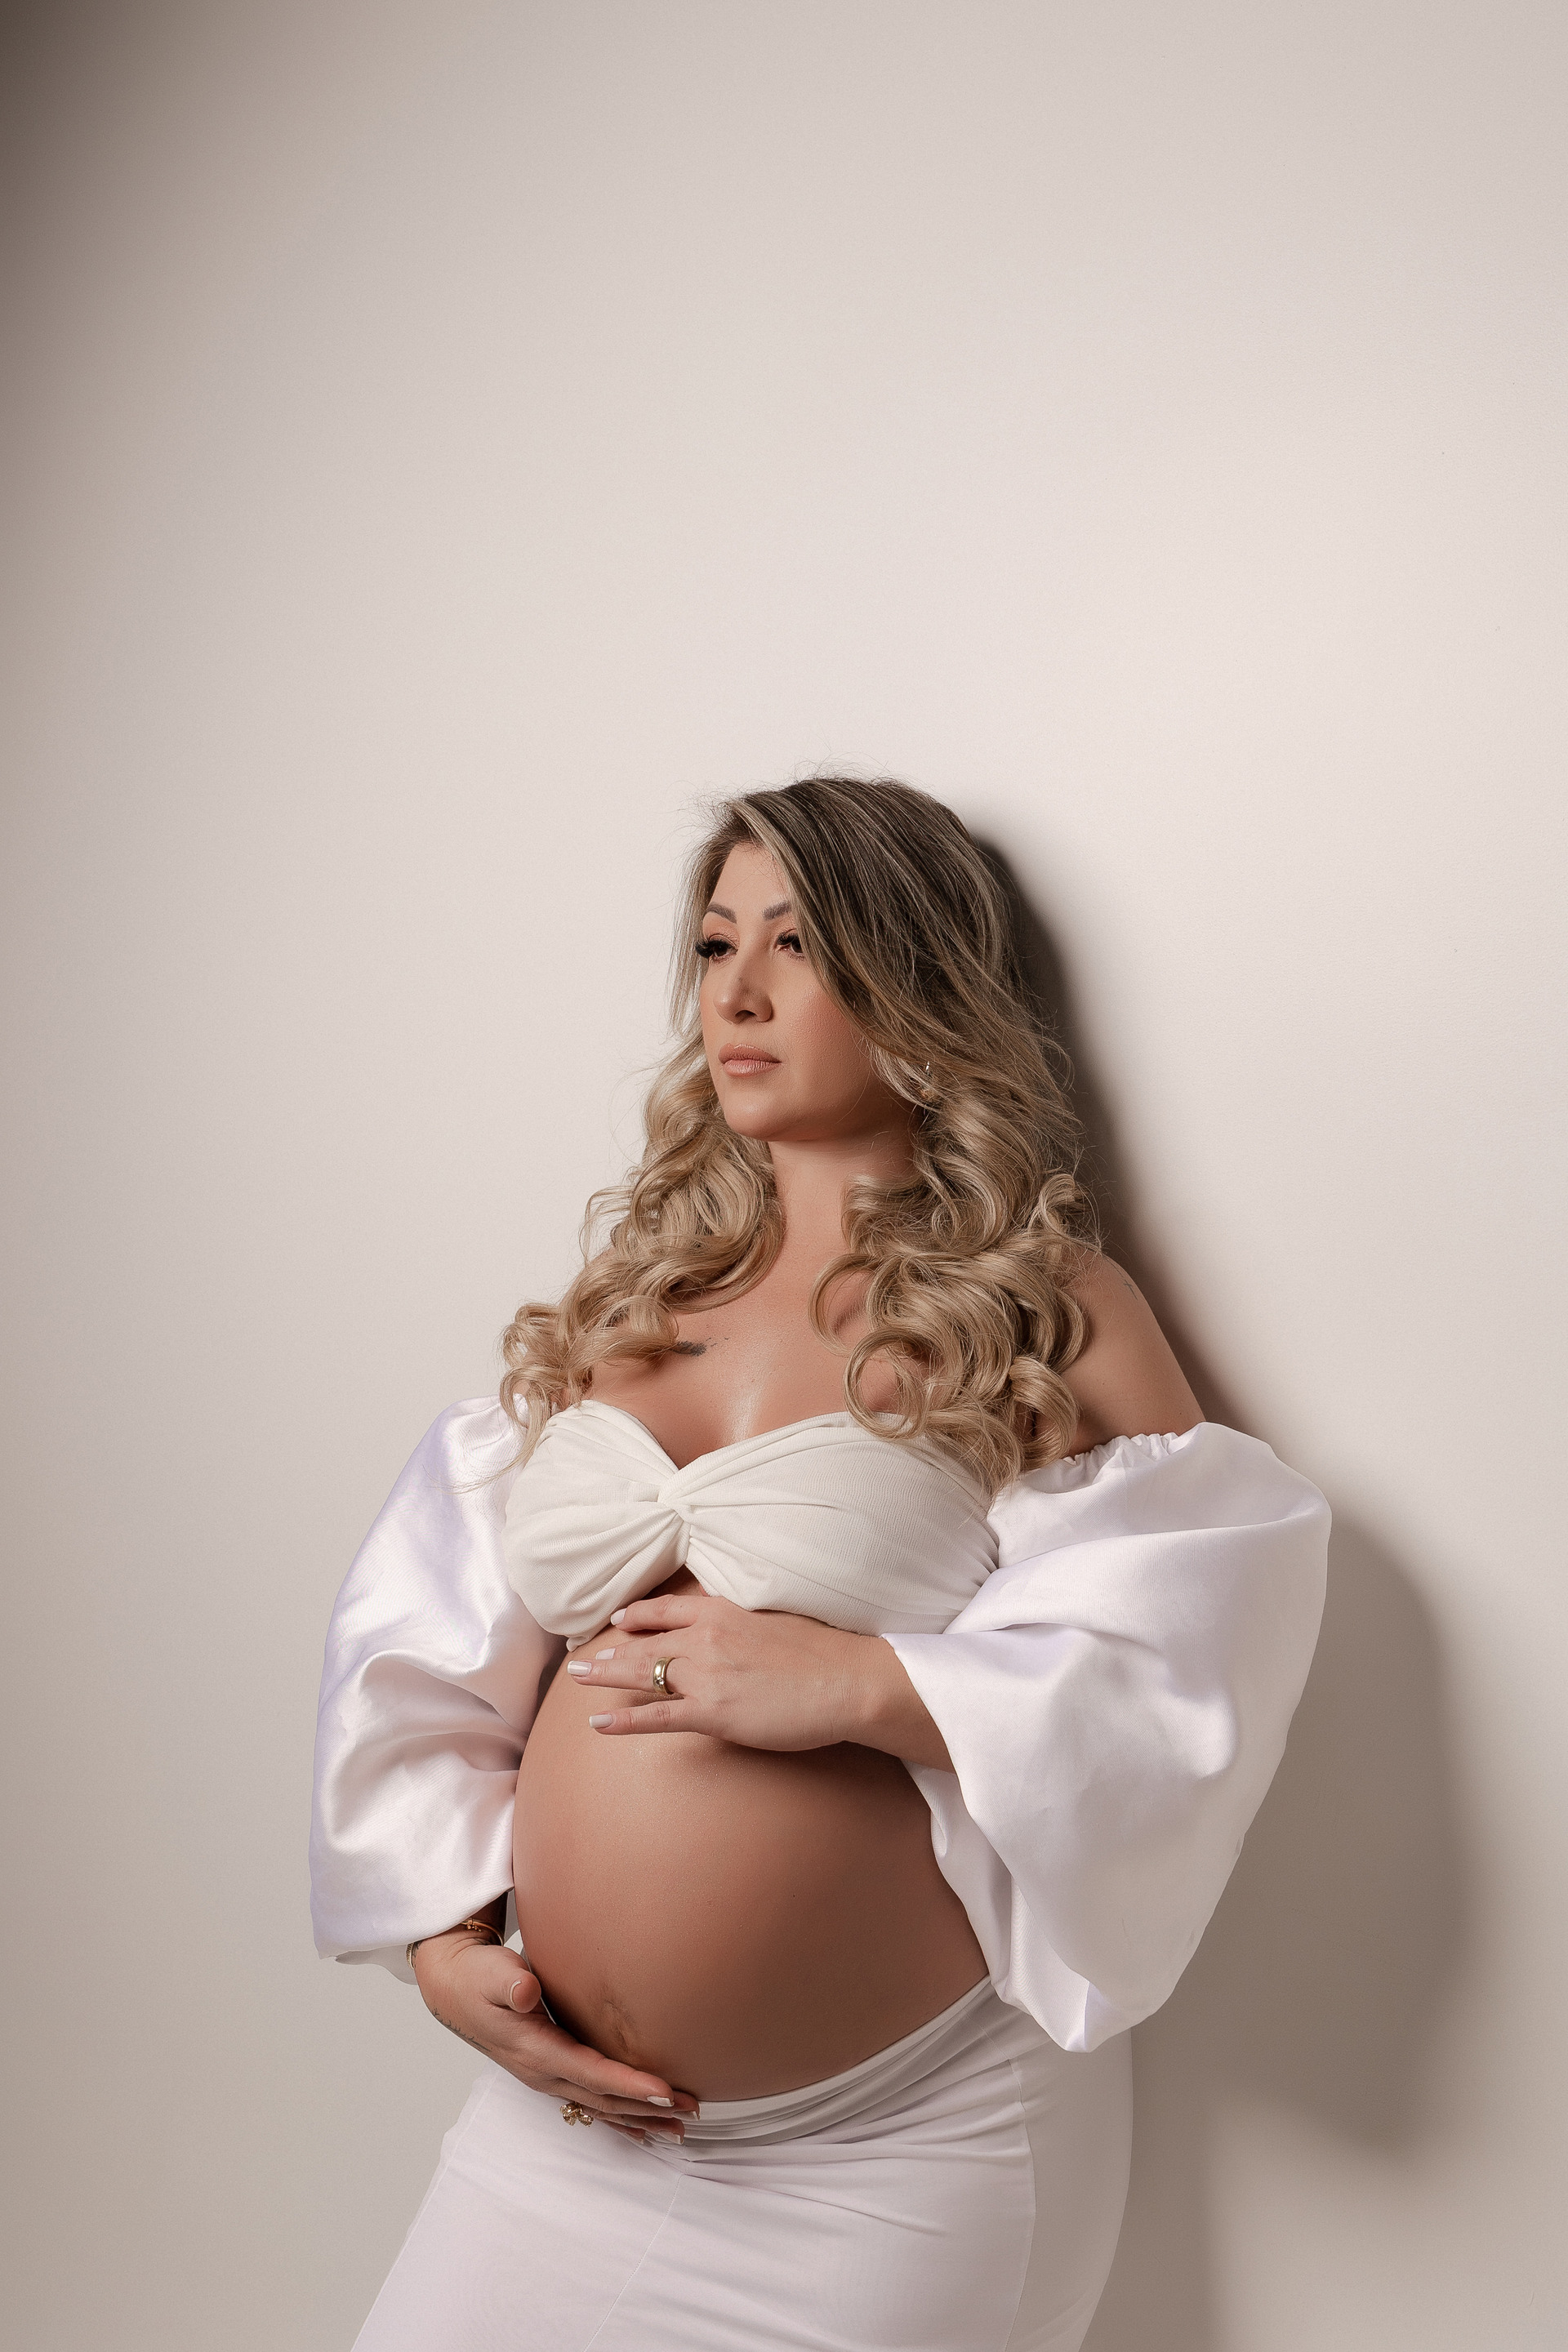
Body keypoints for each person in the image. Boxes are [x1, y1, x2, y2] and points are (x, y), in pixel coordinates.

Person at [311, 777, 1329, 2352]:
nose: (739, 991)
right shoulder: (635, 1295)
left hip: (901, 2158)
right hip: (567, 2127)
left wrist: (862, 1684)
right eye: (715, 944)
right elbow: (430, 1638)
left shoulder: (1039, 1307)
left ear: (915, 980)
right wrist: (442, 1942)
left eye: (796, 944)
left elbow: (1190, 1658)